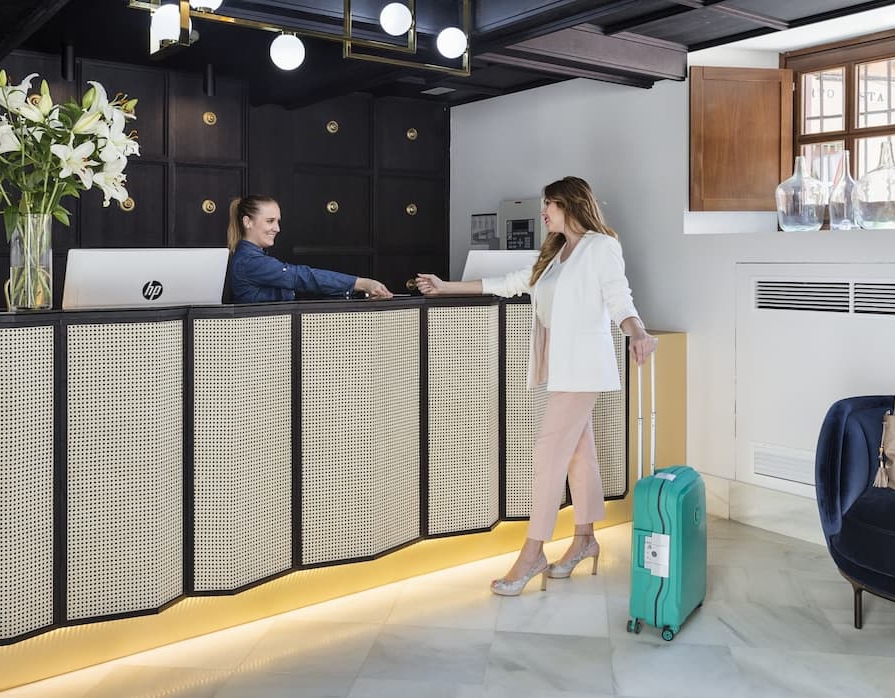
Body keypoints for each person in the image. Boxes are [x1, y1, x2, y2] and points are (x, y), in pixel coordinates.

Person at [414, 176, 657, 597]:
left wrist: (637, 331)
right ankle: (585, 539)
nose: (542, 212)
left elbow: (620, 298)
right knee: (578, 453)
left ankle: (533, 552)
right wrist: (446, 286)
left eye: (549, 204)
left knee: (547, 453)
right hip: (561, 368)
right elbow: (511, 282)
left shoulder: (601, 247)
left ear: (571, 204)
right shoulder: (555, 252)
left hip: (584, 367)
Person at [227, 195, 393, 303]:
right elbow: (302, 277)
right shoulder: (250, 261)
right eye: (270, 221)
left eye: (278, 221)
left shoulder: (251, 258)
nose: (277, 228)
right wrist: (361, 283)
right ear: (247, 222)